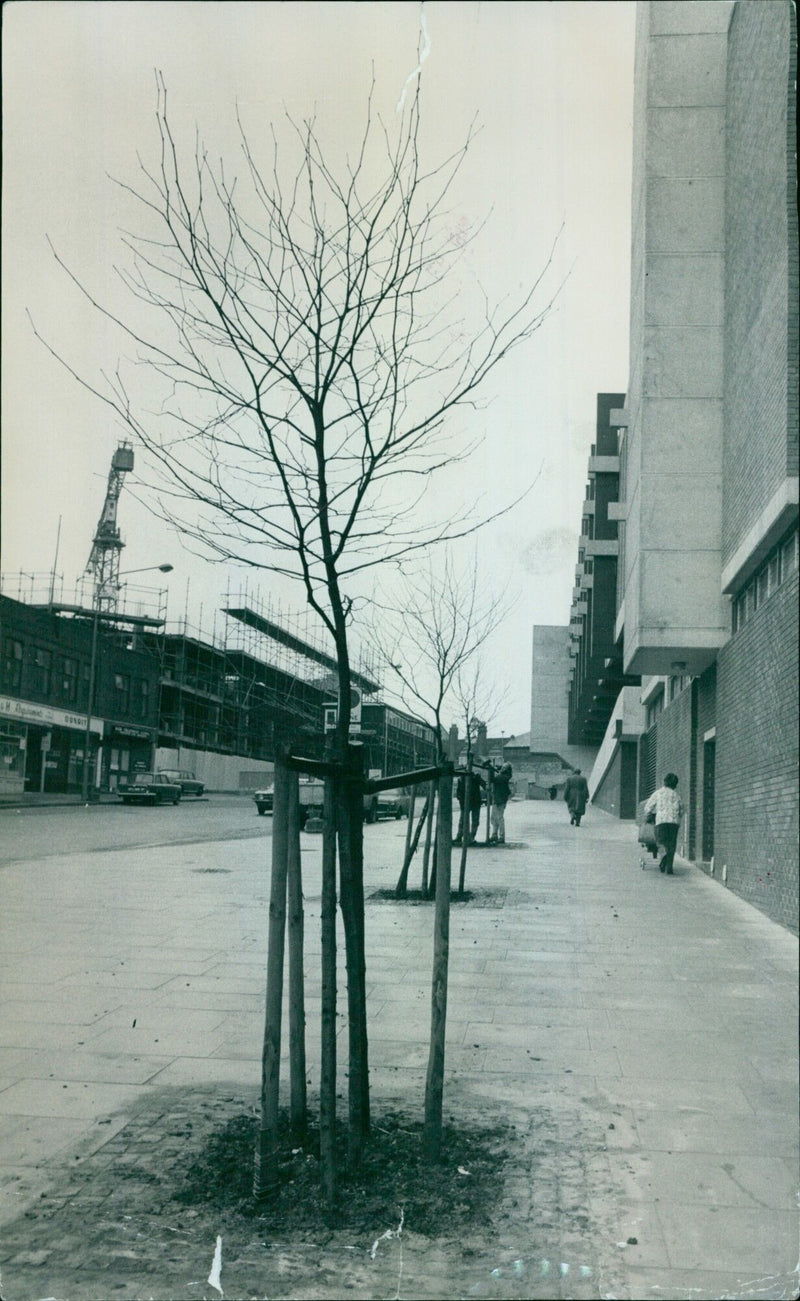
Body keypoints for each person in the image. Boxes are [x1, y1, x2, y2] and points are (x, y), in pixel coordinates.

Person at [642, 772, 685, 874]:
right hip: (674, 823)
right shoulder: (677, 795)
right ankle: (669, 868)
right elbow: (682, 810)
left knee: (661, 842)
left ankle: (663, 853)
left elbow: (648, 807)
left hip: (661, 821)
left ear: (664, 782)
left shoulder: (658, 793)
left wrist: (650, 815)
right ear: (675, 784)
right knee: (672, 844)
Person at [454, 768, 485, 845]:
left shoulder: (474, 777)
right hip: (467, 802)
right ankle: (461, 836)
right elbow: (459, 791)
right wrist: (459, 797)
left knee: (472, 820)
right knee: (464, 821)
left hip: (474, 802)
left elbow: (484, 784)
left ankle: (470, 837)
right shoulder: (462, 778)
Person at [487, 761, 513, 844]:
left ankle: (501, 836)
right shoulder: (505, 776)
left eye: (503, 767)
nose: (502, 768)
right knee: (494, 818)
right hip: (498, 799)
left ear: (506, 770)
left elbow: (492, 779)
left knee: (499, 818)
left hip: (500, 799)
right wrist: (496, 768)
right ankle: (494, 835)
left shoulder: (504, 777)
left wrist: (491, 770)